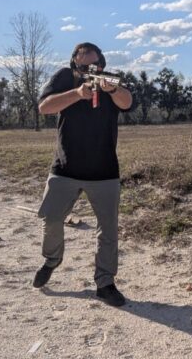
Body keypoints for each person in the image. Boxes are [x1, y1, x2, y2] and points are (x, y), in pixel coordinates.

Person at [33, 42, 133, 307]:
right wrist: (77, 94)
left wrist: (111, 89)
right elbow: (44, 107)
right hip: (65, 168)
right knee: (51, 218)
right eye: (84, 64)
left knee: (108, 230)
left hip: (104, 171)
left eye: (96, 65)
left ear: (102, 64)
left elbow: (127, 102)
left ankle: (105, 283)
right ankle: (52, 260)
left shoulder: (110, 81)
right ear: (74, 63)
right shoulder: (64, 78)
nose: (91, 69)